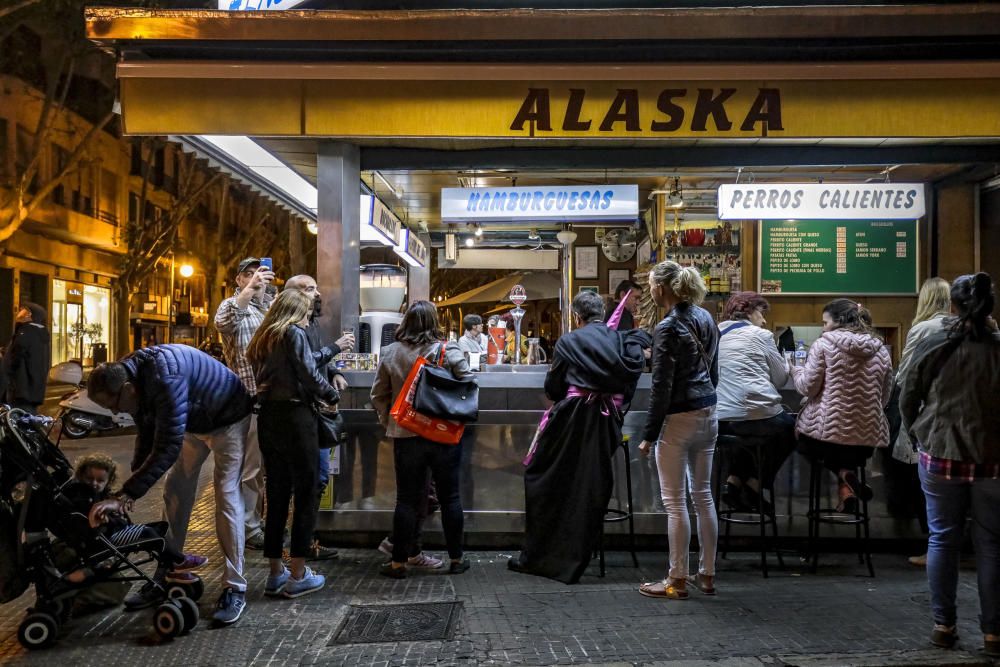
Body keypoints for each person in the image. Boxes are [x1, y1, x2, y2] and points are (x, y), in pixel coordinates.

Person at [86, 345, 253, 625]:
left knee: (226, 495)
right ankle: (167, 571)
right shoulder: (133, 375)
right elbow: (148, 431)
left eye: (113, 405)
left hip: (228, 417)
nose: (115, 412)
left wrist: (129, 492)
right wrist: (129, 489)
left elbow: (166, 446)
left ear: (127, 389)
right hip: (194, 419)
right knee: (175, 490)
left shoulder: (166, 377)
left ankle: (235, 587)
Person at [509, 291, 646, 584]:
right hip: (607, 425)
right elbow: (630, 378)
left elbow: (554, 387)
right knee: (589, 485)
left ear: (576, 316)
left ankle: (540, 556)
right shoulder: (620, 340)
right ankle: (579, 554)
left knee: (541, 476)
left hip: (571, 420)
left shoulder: (569, 341)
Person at [899, 272, 1000, 657]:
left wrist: (917, 435)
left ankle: (944, 626)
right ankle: (993, 635)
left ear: (952, 305)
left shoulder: (936, 344)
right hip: (992, 457)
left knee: (943, 538)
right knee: (991, 544)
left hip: (940, 452)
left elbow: (908, 393)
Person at [247, 289, 340, 599]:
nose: (307, 318)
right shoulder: (293, 332)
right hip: (297, 418)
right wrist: (331, 395)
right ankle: (298, 573)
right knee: (306, 493)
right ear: (296, 311)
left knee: (276, 494)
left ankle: (276, 572)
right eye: (305, 312)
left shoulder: (263, 337)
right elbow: (307, 371)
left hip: (268, 419)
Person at [370, 300, 472, 578]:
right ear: (434, 323)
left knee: (406, 499)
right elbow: (469, 382)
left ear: (405, 323)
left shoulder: (390, 352)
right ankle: (456, 559)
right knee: (450, 496)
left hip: (406, 435)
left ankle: (398, 563)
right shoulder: (447, 349)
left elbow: (377, 395)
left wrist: (390, 422)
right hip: (443, 436)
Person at [638, 261, 720, 600]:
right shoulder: (706, 317)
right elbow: (714, 369)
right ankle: (708, 574)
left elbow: (661, 386)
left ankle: (676, 579)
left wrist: (649, 434)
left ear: (661, 287)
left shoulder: (668, 326)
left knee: (675, 503)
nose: (650, 291)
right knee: (703, 496)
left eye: (651, 285)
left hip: (679, 418)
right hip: (709, 411)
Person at [791, 299, 893, 514]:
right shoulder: (881, 349)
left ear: (838, 322)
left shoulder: (823, 344)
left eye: (825, 322)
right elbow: (884, 397)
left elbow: (807, 388)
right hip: (865, 442)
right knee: (848, 451)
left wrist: (795, 370)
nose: (823, 327)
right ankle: (847, 491)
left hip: (825, 437)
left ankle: (844, 474)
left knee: (806, 442)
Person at [284, 274, 355, 560]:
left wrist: (335, 372)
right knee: (304, 482)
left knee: (317, 478)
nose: (314, 294)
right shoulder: (290, 330)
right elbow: (306, 364)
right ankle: (296, 548)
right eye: (306, 289)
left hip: (314, 410)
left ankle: (302, 542)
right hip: (301, 413)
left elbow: (317, 360)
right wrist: (330, 393)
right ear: (290, 296)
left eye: (315, 288)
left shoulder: (310, 325)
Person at [715, 291, 795, 513]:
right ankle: (754, 486)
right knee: (789, 429)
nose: (764, 320)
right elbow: (779, 379)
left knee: (750, 435)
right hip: (754, 416)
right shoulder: (761, 335)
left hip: (720, 419)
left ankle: (732, 484)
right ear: (749, 311)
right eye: (761, 312)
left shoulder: (716, 333)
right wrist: (788, 365)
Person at [215, 256, 275, 550]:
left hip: (274, 399)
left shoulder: (271, 308)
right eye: (248, 275)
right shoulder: (231, 306)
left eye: (260, 274)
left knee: (264, 467)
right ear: (238, 279)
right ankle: (249, 529)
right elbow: (223, 323)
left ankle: (257, 521)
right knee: (250, 469)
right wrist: (249, 290)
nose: (256, 279)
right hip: (249, 398)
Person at [890, 277, 951, 567]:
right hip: (955, 418)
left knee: (924, 484)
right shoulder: (958, 326)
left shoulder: (923, 328)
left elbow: (904, 377)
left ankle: (932, 548)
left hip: (926, 416)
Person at [0, 303, 50, 414]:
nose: (20, 314)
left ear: (31, 315)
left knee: (19, 417)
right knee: (27, 415)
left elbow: (17, 355)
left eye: (24, 311)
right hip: (32, 386)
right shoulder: (39, 332)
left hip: (20, 385)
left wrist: (9, 372)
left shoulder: (26, 331)